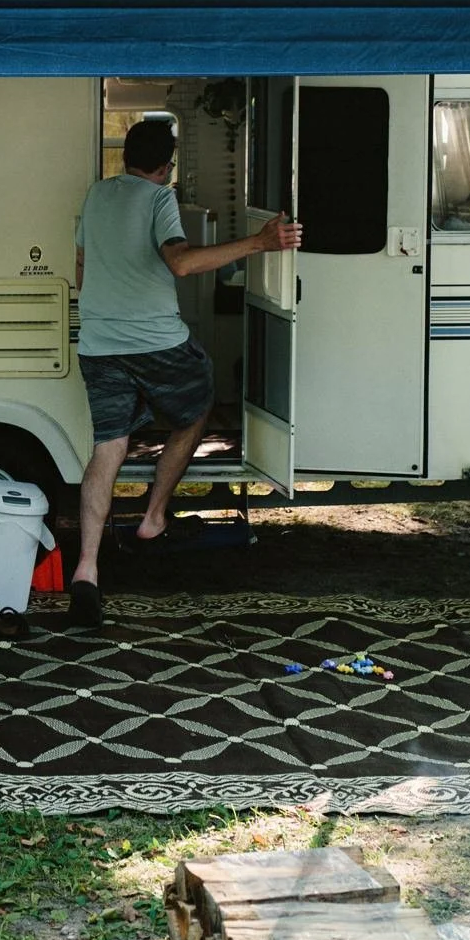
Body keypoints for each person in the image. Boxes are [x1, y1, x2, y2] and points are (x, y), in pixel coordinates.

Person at [70, 118, 300, 629]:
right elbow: (181, 263)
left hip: (99, 342)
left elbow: (82, 269)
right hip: (156, 342)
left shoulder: (95, 195)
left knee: (108, 446)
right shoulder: (159, 199)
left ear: (126, 156)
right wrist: (259, 244)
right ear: (166, 166)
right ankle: (153, 517)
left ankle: (86, 568)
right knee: (197, 406)